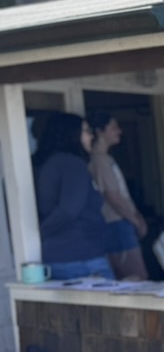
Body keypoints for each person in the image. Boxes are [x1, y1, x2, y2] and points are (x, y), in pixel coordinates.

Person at [33, 113, 114, 281]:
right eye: (86, 131)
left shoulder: (47, 164)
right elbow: (69, 210)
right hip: (81, 259)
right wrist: (40, 233)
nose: (91, 136)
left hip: (62, 256)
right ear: (72, 134)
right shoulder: (72, 165)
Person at [86, 112, 149, 280]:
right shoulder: (100, 161)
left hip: (118, 224)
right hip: (116, 225)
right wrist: (136, 221)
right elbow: (113, 197)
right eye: (113, 128)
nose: (119, 131)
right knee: (137, 279)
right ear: (99, 132)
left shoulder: (104, 159)